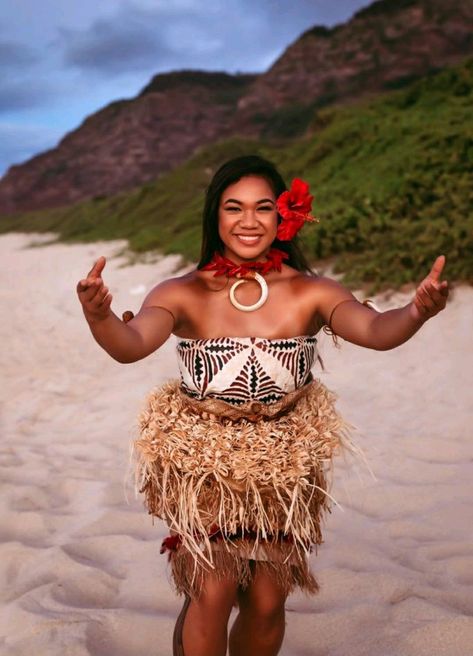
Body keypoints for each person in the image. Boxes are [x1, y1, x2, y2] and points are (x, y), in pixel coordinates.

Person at [76, 155, 449, 656]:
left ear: (284, 217)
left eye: (263, 208)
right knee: (213, 589)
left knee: (269, 599)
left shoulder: (311, 291)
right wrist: (100, 316)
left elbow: (377, 332)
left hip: (285, 461)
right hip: (204, 459)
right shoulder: (181, 292)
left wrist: (417, 310)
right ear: (216, 217)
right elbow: (130, 344)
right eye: (234, 208)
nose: (249, 221)